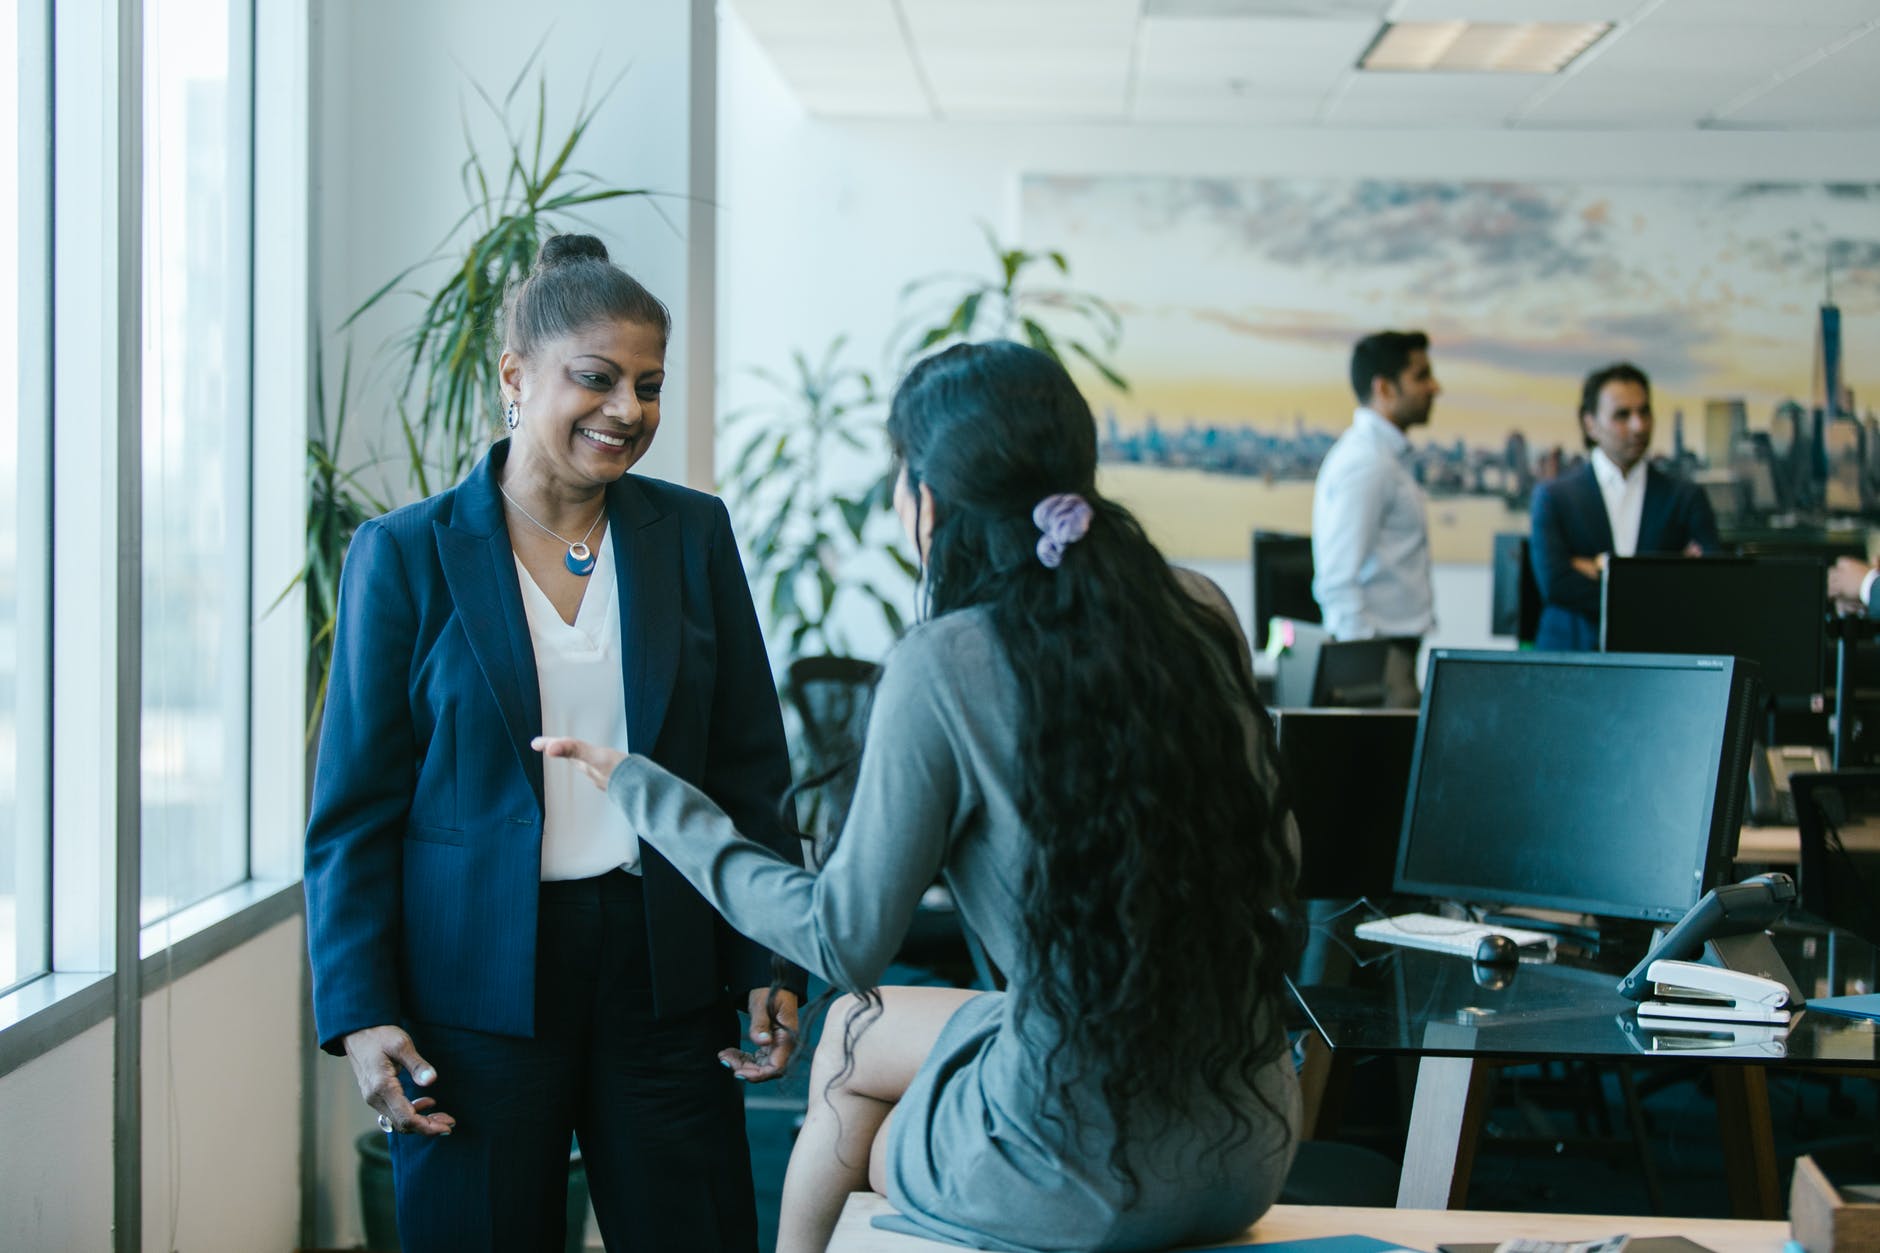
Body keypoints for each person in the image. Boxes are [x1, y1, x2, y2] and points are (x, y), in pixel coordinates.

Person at [539, 341, 1303, 1253]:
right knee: (859, 1034)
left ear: (931, 497)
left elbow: (843, 937)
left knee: (865, 1100)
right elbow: (1280, 858)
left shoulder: (946, 663)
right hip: (1249, 1135)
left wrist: (647, 793)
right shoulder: (1201, 612)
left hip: (1075, 1171)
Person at [303, 234, 802, 1253]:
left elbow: (750, 769)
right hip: (472, 987)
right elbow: (354, 808)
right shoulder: (403, 555)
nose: (628, 408)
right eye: (597, 377)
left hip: (663, 969)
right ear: (514, 376)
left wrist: (765, 952)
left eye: (647, 385)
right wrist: (361, 1010)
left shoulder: (690, 535)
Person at [1529, 362, 1721, 651]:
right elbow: (1556, 584)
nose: (1638, 426)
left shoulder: (1686, 497)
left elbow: (1711, 585)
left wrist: (1602, 567)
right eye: (1623, 415)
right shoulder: (1554, 497)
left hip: (1660, 663)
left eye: (1644, 412)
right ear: (1590, 423)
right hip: (1571, 662)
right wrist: (1663, 581)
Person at [1310, 330, 1440, 708]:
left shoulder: (1384, 456)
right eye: (1421, 376)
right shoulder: (1367, 462)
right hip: (1378, 660)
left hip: (1391, 654)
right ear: (1384, 388)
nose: (1435, 388)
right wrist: (1363, 674)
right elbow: (1336, 580)